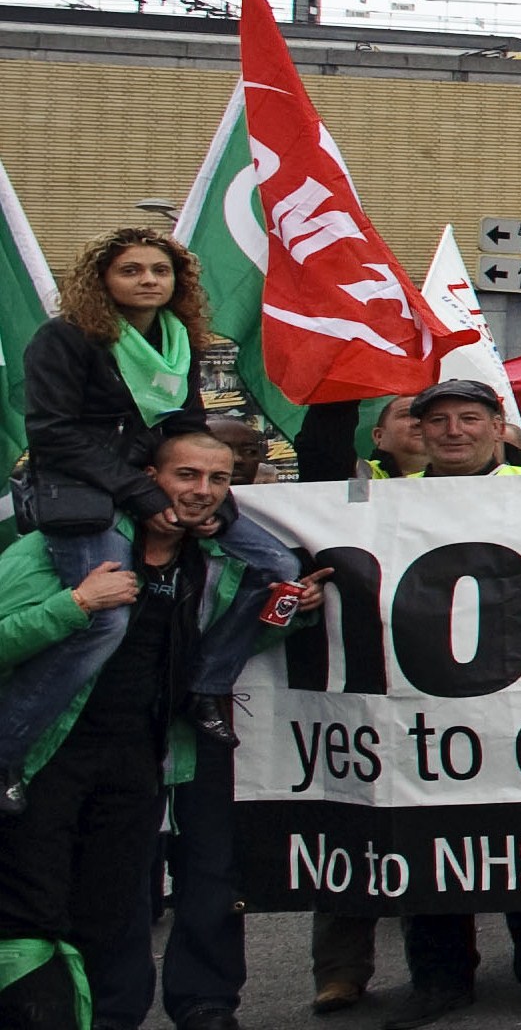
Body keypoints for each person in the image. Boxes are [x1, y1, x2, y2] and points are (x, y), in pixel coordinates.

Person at [0, 418, 324, 1030]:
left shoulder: (217, 559)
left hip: (138, 759)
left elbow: (237, 641)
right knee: (30, 910)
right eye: (187, 475)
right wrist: (71, 606)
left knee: (114, 906)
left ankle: (113, 1017)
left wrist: (293, 610)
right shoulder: (60, 549)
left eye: (219, 479)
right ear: (147, 479)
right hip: (42, 757)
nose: (203, 489)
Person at [291, 382, 521, 1029]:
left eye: (469, 419)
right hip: (422, 704)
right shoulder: (387, 502)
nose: (454, 431)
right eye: (440, 422)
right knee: (430, 837)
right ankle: (438, 979)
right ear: (421, 434)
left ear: (495, 428)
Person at [2, 230, 302, 811]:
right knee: (104, 622)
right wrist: (140, 494)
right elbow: (53, 434)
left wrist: (213, 497)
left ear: (178, 282)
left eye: (159, 271)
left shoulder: (177, 341)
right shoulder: (63, 340)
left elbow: (185, 426)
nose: (147, 281)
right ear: (102, 281)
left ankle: (206, 686)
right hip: (84, 494)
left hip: (152, 483)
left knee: (277, 566)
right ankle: (8, 750)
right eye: (131, 270)